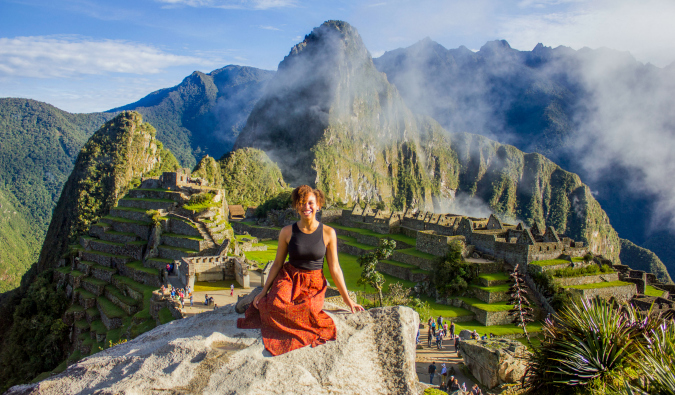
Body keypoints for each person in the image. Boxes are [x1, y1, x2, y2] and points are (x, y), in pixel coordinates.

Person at [237, 185, 364, 356]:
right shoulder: (287, 232)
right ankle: (260, 294)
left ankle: (266, 297)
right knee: (274, 305)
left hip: (313, 282)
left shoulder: (328, 233)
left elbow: (335, 269)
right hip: (289, 277)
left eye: (310, 203)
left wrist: (348, 301)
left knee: (309, 311)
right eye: (302, 203)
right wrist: (265, 291)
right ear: (297, 207)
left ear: (318, 205)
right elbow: (277, 264)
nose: (306, 207)